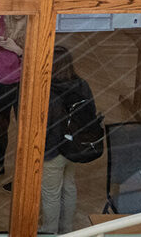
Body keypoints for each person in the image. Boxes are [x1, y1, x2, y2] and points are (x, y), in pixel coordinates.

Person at [40, 45, 91, 234]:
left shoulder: (47, 91)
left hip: (52, 151)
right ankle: (67, 229)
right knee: (69, 186)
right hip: (74, 147)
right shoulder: (82, 85)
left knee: (51, 194)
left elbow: (43, 125)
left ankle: (49, 232)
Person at [0, 15, 26, 184]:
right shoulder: (1, 19)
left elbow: (39, 57)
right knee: (0, 125)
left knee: (24, 129)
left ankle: (22, 174)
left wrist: (16, 49)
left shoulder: (33, 21)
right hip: (0, 79)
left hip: (21, 81)